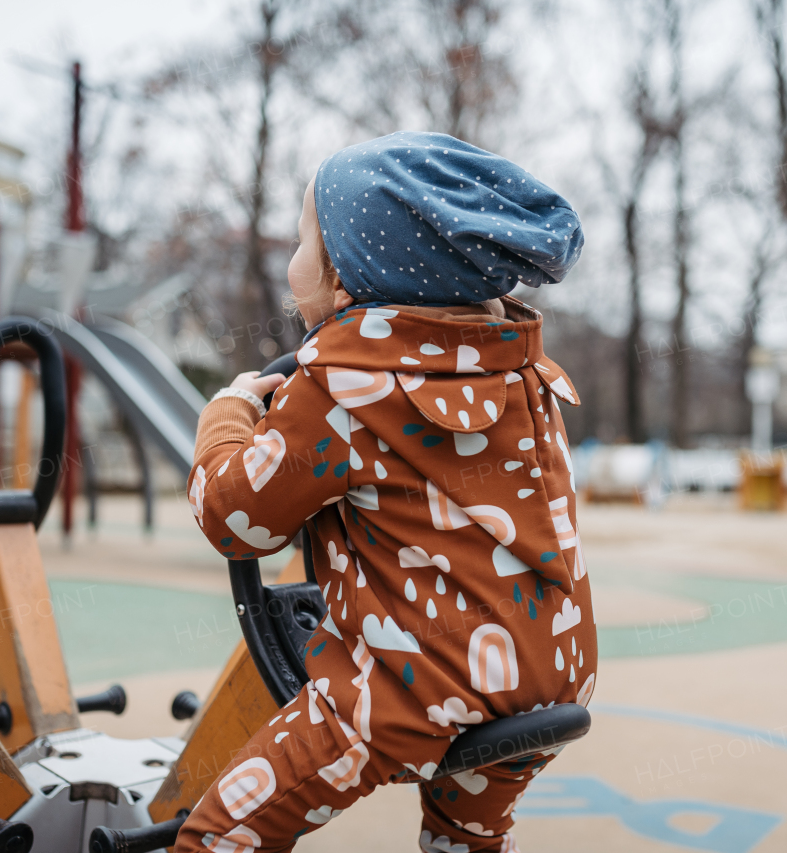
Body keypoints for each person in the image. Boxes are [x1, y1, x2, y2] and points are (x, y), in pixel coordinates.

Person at [179, 131, 595, 853]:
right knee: (466, 837)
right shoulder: (521, 368)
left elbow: (233, 519)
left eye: (303, 240)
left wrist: (229, 414)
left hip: (408, 692)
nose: (291, 263)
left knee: (218, 836)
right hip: (553, 678)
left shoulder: (341, 379)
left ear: (341, 277)